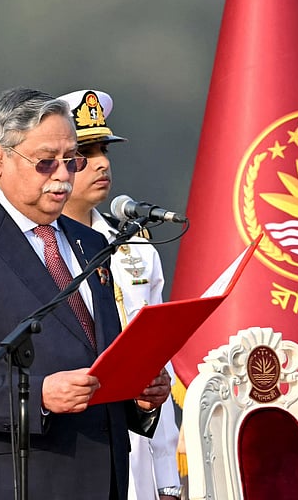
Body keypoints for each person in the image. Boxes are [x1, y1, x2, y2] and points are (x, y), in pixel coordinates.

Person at [0, 87, 171, 500]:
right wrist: (39, 396)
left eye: (72, 160)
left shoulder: (91, 243)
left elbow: (98, 361)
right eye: (46, 161)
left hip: (106, 480)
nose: (63, 175)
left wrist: (139, 398)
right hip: (19, 482)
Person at [57, 88, 183, 500]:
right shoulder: (39, 250)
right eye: (85, 153)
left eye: (105, 151)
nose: (103, 163)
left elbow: (156, 362)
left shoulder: (136, 248)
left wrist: (167, 475)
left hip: (138, 442)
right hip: (72, 444)